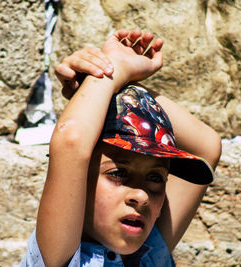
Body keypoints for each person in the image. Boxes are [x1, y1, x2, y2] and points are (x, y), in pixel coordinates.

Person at [18, 29, 222, 267]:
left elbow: (206, 149)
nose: (141, 196)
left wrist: (113, 83)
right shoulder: (58, 258)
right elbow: (71, 140)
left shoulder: (146, 258)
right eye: (118, 173)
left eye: (156, 177)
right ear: (78, 177)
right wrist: (111, 73)